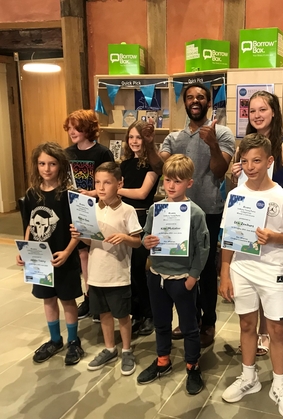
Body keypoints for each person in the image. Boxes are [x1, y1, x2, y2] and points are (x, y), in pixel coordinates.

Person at [145, 82, 235, 347]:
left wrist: (213, 144)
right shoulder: (174, 138)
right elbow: (159, 166)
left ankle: (208, 322)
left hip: (208, 210)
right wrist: (150, 145)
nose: (195, 101)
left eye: (201, 97)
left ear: (208, 102)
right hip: (176, 214)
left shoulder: (223, 132)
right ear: (184, 103)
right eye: (190, 97)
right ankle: (189, 320)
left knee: (205, 271)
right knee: (185, 270)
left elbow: (220, 170)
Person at [219, 134, 283, 419]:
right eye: (244, 161)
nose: (250, 167)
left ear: (269, 161)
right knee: (246, 324)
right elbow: (227, 238)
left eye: (256, 161)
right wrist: (224, 273)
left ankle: (279, 385)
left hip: (272, 269)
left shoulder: (282, 197)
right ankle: (249, 377)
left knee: (276, 328)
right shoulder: (235, 195)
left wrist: (274, 237)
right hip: (241, 268)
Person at [231, 91, 283, 356]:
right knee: (250, 282)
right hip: (249, 227)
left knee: (271, 287)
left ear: (274, 112)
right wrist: (233, 175)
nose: (257, 115)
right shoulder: (244, 146)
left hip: (276, 230)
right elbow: (237, 193)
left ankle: (266, 335)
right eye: (252, 111)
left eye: (263, 109)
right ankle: (256, 335)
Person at [137, 155, 210, 395]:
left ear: (189, 183)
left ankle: (192, 365)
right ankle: (162, 361)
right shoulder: (155, 209)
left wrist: (193, 277)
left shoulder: (196, 213)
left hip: (182, 280)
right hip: (157, 276)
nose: (171, 186)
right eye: (168, 180)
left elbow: (203, 248)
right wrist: (145, 241)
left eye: (177, 181)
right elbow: (145, 236)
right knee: (161, 323)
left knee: (189, 327)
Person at [71, 162, 142, 376]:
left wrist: (125, 237)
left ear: (119, 183)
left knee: (122, 315)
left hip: (117, 274)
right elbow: (89, 240)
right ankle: (110, 347)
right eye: (98, 183)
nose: (101, 188)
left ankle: (127, 349)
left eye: (107, 182)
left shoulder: (127, 211)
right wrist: (78, 235)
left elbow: (138, 241)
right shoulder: (91, 209)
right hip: (96, 273)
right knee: (103, 313)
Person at [16, 142, 83, 365]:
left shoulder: (68, 195)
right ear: (36, 166)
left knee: (67, 299)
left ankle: (74, 341)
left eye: (52, 164)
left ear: (61, 166)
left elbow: (78, 231)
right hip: (40, 260)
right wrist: (25, 250)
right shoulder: (32, 194)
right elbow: (29, 225)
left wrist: (67, 252)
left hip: (63, 257)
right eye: (42, 163)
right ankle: (55, 340)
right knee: (48, 299)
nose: (47, 168)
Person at [64, 109, 114, 320]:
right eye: (70, 128)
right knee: (82, 254)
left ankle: (100, 299)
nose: (72, 132)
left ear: (88, 128)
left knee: (97, 253)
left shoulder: (102, 152)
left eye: (77, 127)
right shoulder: (67, 153)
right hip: (75, 209)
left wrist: (93, 192)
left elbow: (111, 181)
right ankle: (88, 296)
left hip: (97, 209)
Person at [119, 120, 160, 336]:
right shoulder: (124, 165)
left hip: (143, 218)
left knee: (139, 268)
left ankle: (149, 313)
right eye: (131, 137)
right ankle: (136, 313)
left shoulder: (152, 165)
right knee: (128, 270)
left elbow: (142, 193)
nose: (135, 141)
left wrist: (118, 190)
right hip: (125, 219)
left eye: (139, 137)